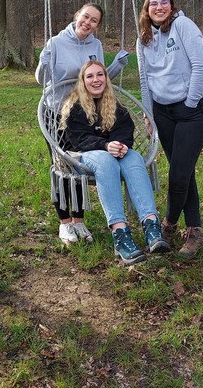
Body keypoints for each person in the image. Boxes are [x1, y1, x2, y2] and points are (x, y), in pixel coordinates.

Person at [35, 3, 129, 245]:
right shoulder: (56, 42)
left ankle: (79, 219)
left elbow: (96, 78)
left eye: (94, 20)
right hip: (56, 111)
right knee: (62, 164)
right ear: (77, 15)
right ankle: (64, 223)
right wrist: (43, 62)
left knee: (79, 163)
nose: (88, 23)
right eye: (85, 17)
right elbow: (40, 79)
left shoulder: (95, 45)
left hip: (83, 112)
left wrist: (116, 66)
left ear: (97, 25)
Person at [61, 60, 169, 265]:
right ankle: (120, 235)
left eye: (100, 75)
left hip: (111, 152)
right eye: (90, 76)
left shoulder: (115, 105)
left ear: (106, 78)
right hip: (82, 155)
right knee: (105, 161)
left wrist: (121, 145)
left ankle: (151, 226)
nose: (96, 80)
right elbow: (79, 139)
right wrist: (105, 145)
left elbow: (125, 130)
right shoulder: (75, 107)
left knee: (134, 157)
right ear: (83, 81)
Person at [137, 0, 203, 258]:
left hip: (192, 111)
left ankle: (167, 224)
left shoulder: (183, 25)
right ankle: (195, 230)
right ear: (146, 10)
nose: (159, 7)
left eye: (164, 2)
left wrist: (190, 103)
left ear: (171, 5)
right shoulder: (143, 39)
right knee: (185, 170)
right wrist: (149, 114)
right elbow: (145, 80)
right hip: (163, 113)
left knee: (179, 173)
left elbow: (201, 65)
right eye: (153, 4)